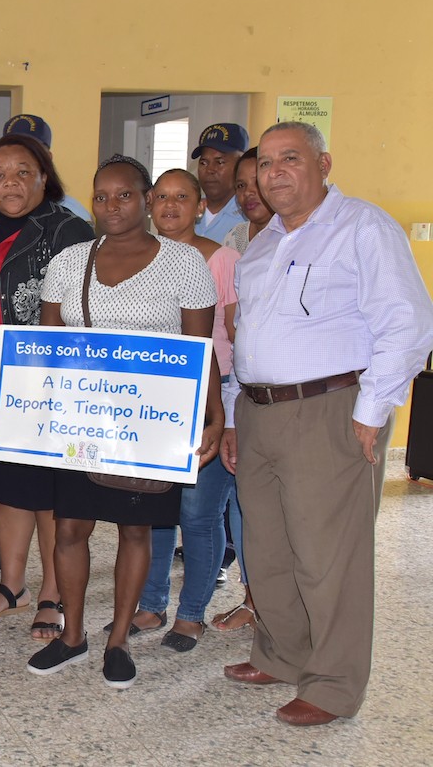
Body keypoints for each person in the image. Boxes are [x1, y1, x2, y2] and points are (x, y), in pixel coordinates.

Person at [220, 122, 433, 725]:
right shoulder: (261, 245)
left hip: (331, 410)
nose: (274, 172)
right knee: (267, 549)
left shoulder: (363, 227)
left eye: (291, 159)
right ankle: (283, 654)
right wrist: (236, 411)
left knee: (327, 555)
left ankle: (335, 684)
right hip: (258, 411)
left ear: (324, 163)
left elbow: (409, 323)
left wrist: (372, 410)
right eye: (265, 163)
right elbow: (246, 340)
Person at [26, 154, 222, 690]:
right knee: (69, 528)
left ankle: (117, 643)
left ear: (147, 199)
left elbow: (199, 350)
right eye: (101, 196)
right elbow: (45, 351)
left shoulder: (185, 265)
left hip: (148, 425)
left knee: (137, 529)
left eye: (125, 195)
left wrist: (215, 412)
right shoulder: (68, 261)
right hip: (77, 421)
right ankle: (72, 636)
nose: (111, 206)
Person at [0, 135, 93, 643]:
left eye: (21, 172)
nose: (9, 183)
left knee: (46, 489)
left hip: (41, 379)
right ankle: (13, 587)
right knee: (6, 481)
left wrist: (15, 390)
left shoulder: (69, 231)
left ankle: (53, 595)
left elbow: (71, 318)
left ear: (42, 175)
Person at [130, 168, 240, 652]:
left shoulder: (225, 260)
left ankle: (191, 612)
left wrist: (226, 416)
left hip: (210, 404)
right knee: (154, 512)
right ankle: (151, 604)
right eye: (161, 197)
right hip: (152, 407)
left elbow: (238, 340)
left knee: (198, 516)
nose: (170, 206)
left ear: (200, 206)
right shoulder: (137, 259)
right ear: (149, 206)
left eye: (182, 197)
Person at [211, 146, 273, 632]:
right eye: (242, 186)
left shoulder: (299, 235)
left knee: (260, 504)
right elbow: (232, 325)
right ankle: (253, 597)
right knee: (239, 504)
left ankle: (267, 601)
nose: (250, 193)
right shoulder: (236, 238)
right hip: (237, 384)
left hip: (283, 389)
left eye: (258, 182)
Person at [2, 114, 93, 222]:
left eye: (31, 150)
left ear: (48, 158)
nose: (21, 157)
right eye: (13, 150)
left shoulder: (73, 215)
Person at [191, 122, 249, 242]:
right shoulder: (187, 210)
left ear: (240, 164)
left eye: (220, 162)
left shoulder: (249, 215)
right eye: (203, 163)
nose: (210, 170)